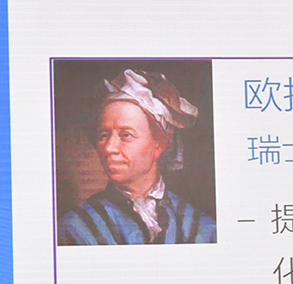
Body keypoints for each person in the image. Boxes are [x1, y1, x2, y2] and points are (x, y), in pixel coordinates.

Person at [57, 68, 217, 245]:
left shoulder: (203, 228)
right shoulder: (74, 227)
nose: (109, 148)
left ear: (160, 145)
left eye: (126, 135)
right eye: (103, 135)